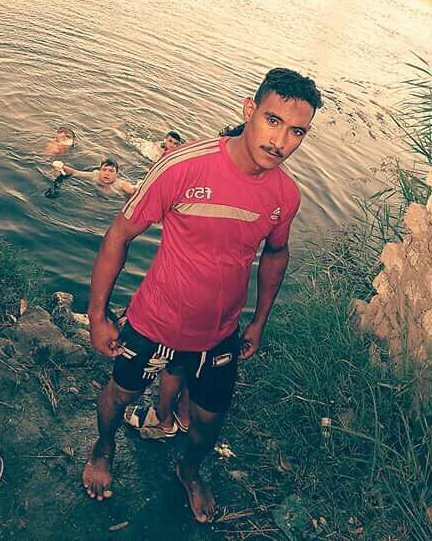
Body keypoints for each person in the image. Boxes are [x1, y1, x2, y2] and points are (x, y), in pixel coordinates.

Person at [82, 68, 322, 523]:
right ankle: (104, 447)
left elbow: (276, 253)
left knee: (210, 419)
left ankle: (189, 470)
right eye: (273, 121)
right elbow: (120, 234)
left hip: (219, 334)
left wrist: (258, 321)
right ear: (249, 111)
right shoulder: (183, 166)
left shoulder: (284, 195)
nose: (281, 141)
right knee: (121, 393)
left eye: (296, 132)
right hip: (155, 323)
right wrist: (98, 315)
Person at [52, 158, 137, 197]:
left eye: (111, 171)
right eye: (104, 170)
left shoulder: (121, 184)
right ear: (99, 171)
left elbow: (132, 190)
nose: (107, 173)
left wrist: (137, 187)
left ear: (116, 174)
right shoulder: (95, 175)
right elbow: (75, 172)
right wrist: (62, 166)